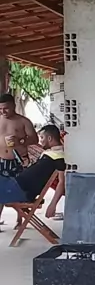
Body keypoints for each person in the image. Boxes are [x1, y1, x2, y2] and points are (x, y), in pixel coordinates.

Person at [0, 124, 65, 219]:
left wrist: (53, 205)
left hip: (21, 190)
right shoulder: (50, 153)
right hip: (15, 184)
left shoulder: (59, 157)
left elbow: (61, 182)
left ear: (49, 138)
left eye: (42, 137)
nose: (40, 141)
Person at [0, 93, 38, 226]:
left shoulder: (23, 121)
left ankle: (20, 219)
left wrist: (20, 141)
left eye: (6, 108)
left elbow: (35, 139)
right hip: (1, 160)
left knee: (19, 189)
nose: (3, 111)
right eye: (0, 109)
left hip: (18, 160)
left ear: (13, 106)